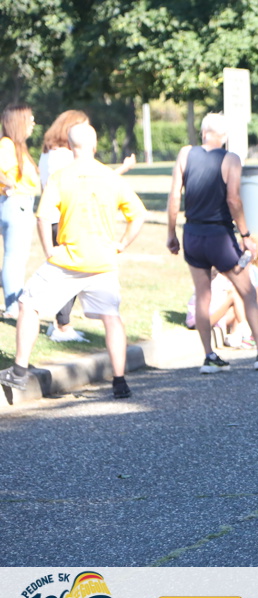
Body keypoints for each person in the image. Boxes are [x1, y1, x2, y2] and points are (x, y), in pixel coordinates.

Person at [0, 123, 144, 399]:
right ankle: (119, 381)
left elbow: (43, 217)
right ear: (95, 144)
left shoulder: (60, 177)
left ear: (69, 145)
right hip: (103, 261)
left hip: (68, 260)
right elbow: (137, 215)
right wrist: (122, 244)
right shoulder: (110, 176)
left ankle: (18, 372)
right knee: (111, 317)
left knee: (27, 303)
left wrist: (49, 250)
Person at [166, 112, 258, 373]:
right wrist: (246, 235)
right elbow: (233, 200)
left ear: (203, 132)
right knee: (248, 291)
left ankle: (209, 356)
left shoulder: (185, 154)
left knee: (203, 295)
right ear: (225, 136)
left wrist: (171, 233)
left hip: (192, 233)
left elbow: (174, 197)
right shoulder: (231, 159)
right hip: (218, 235)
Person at [39, 110, 137, 342]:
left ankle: (61, 323)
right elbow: (89, 181)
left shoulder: (47, 153)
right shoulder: (65, 157)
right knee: (72, 274)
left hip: (55, 216)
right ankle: (62, 325)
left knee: (66, 273)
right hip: (65, 218)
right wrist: (123, 169)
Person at [0, 104, 40, 319]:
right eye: (29, 119)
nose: (33, 124)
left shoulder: (16, 146)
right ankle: (13, 307)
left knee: (17, 258)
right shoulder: (6, 145)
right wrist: (10, 185)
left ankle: (13, 302)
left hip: (20, 204)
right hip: (16, 204)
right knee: (14, 258)